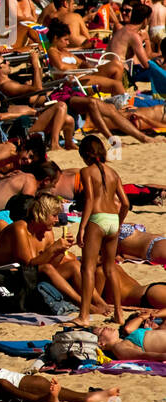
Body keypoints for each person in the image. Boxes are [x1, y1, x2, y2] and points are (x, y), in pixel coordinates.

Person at [77, 135, 129, 326]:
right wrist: (119, 222)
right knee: (110, 268)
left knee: (88, 268)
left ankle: (83, 316)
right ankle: (119, 313)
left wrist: (82, 227)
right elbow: (126, 203)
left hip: (97, 219)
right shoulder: (114, 173)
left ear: (85, 155)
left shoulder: (86, 171)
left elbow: (90, 200)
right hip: (113, 220)